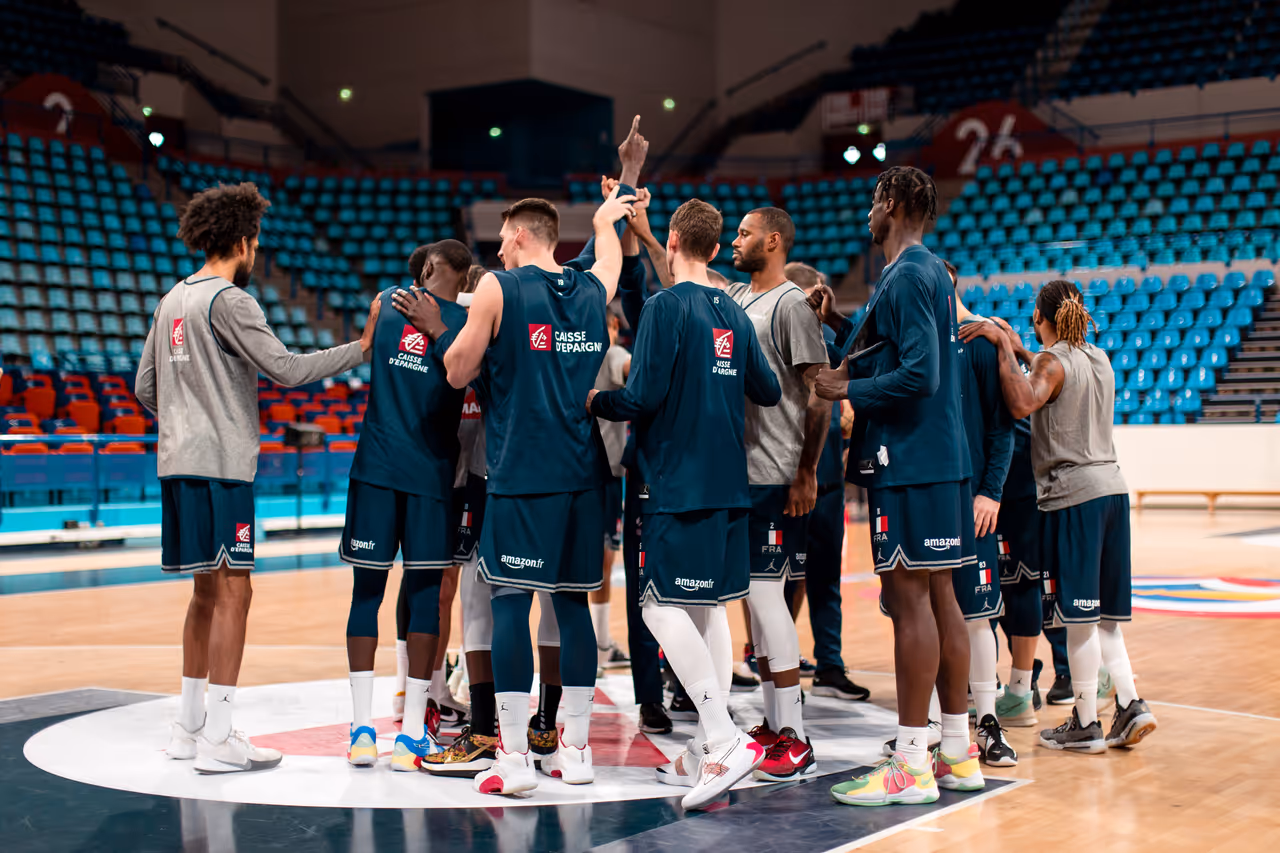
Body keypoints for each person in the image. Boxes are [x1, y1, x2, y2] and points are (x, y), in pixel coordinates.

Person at [136, 182, 376, 774]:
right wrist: (363, 347)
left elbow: (146, 388)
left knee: (203, 593)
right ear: (243, 241)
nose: (258, 252)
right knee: (236, 593)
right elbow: (289, 370)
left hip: (179, 462)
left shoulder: (172, 298)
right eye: (257, 242)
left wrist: (188, 418)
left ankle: (189, 730)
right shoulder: (232, 301)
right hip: (222, 466)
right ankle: (220, 738)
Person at [422, 183, 636, 795]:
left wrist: (474, 340)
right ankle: (575, 750)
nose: (499, 250)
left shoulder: (498, 286)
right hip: (582, 472)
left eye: (502, 240)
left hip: (521, 472)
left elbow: (457, 370)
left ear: (517, 235)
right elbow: (609, 248)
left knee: (512, 605)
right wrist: (608, 211)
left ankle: (512, 758)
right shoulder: (595, 288)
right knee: (572, 609)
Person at [590, 198, 781, 810]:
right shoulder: (733, 308)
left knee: (658, 609)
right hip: (729, 480)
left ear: (671, 241)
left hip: (677, 481)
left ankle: (724, 740)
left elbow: (642, 396)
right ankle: (705, 749)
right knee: (708, 610)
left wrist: (596, 401)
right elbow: (769, 390)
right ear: (715, 244)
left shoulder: (666, 307)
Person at [811, 165, 982, 805]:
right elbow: (895, 349)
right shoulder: (927, 270)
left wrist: (844, 388)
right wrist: (838, 326)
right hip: (938, 459)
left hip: (909, 460)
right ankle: (958, 752)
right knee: (943, 600)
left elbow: (921, 374)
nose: (868, 209)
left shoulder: (907, 273)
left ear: (890, 201)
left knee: (910, 601)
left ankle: (909, 764)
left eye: (874, 198)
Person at [959, 281, 1157, 753]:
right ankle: (1129, 704)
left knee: (1078, 619)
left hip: (1073, 498)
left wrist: (1004, 349)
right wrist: (1022, 349)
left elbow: (1025, 401)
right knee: (1105, 618)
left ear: (1041, 317)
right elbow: (1054, 371)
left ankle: (1087, 722)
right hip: (1113, 491)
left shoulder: (1050, 363)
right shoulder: (1098, 357)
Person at [340, 239, 472, 771]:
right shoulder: (466, 324)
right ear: (464, 275)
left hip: (375, 471)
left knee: (366, 594)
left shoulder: (386, 300)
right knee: (423, 598)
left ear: (431, 266)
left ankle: (361, 730)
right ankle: (411, 734)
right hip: (430, 479)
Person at [724, 208, 830, 783]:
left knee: (768, 599)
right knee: (756, 603)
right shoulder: (741, 297)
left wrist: (806, 469)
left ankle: (795, 733)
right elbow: (684, 271)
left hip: (776, 471)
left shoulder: (790, 304)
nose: (732, 241)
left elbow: (819, 393)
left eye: (742, 233)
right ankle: (773, 722)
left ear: (772, 240)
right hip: (744, 472)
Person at [784, 261, 869, 703]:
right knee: (778, 580)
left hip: (828, 479)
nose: (816, 302)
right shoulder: (775, 339)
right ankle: (771, 668)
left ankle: (830, 665)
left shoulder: (829, 342)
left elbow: (860, 349)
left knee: (825, 578)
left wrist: (832, 319)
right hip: (785, 479)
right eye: (810, 295)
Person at [946, 262, 1017, 767]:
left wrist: (990, 491)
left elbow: (1002, 427)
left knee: (978, 616)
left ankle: (988, 721)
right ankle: (931, 727)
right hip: (926, 501)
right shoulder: (914, 342)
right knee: (924, 616)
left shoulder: (979, 342)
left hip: (973, 500)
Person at [590, 301, 632, 673]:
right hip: (605, 474)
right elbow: (631, 368)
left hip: (576, 469)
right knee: (604, 558)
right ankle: (599, 644)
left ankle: (598, 643)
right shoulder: (611, 347)